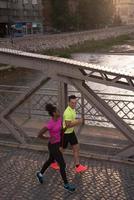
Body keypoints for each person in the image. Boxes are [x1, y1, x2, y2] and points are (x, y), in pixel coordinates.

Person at [36, 103, 76, 192]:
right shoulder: (50, 124)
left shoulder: (59, 119)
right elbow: (39, 134)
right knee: (62, 164)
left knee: (50, 160)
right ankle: (66, 185)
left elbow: (61, 131)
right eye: (57, 111)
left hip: (57, 144)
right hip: (53, 146)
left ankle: (40, 174)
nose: (59, 112)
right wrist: (48, 137)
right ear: (54, 113)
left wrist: (68, 126)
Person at [62, 95, 88, 173]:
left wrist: (76, 121)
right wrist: (78, 121)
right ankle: (53, 161)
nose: (74, 104)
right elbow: (68, 125)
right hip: (65, 133)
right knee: (61, 150)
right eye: (72, 103)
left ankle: (78, 166)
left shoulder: (73, 109)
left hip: (71, 132)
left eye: (75, 103)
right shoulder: (67, 112)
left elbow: (71, 122)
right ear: (68, 102)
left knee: (76, 147)